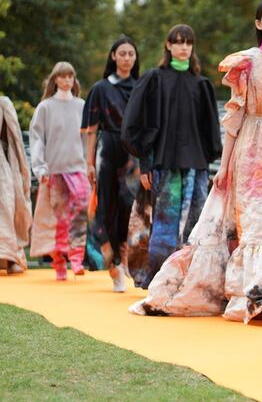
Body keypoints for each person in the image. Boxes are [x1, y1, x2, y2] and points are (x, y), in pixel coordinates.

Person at [129, 0, 262, 326]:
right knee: (256, 225)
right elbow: (235, 117)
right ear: (258, 23)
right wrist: (225, 165)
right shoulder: (246, 64)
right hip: (252, 151)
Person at [121, 24, 222, 288]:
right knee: (163, 227)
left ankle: (188, 282)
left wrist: (209, 162)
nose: (183, 47)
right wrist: (145, 163)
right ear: (168, 45)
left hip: (196, 168)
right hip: (163, 166)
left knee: (194, 227)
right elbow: (137, 122)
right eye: (178, 42)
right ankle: (158, 281)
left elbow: (209, 131)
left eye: (188, 43)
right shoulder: (154, 80)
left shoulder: (201, 85)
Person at [82, 37, 140, 292]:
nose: (127, 58)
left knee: (130, 205)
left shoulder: (141, 87)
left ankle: (125, 258)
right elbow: (91, 130)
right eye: (122, 53)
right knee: (106, 206)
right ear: (113, 56)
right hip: (107, 148)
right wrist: (89, 162)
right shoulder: (100, 88)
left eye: (131, 54)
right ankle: (112, 263)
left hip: (133, 153)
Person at [29, 62, 90, 281]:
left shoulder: (82, 106)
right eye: (62, 77)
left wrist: (89, 164)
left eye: (70, 77)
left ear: (74, 80)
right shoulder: (45, 107)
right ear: (55, 79)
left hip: (77, 169)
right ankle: (59, 262)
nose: (66, 81)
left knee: (81, 209)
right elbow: (37, 139)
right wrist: (40, 167)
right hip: (54, 171)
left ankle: (76, 257)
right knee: (58, 218)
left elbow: (87, 138)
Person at [0, 95, 32, 275]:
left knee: (6, 207)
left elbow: (16, 142)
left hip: (2, 168)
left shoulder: (3, 104)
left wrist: (21, 172)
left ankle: (11, 257)